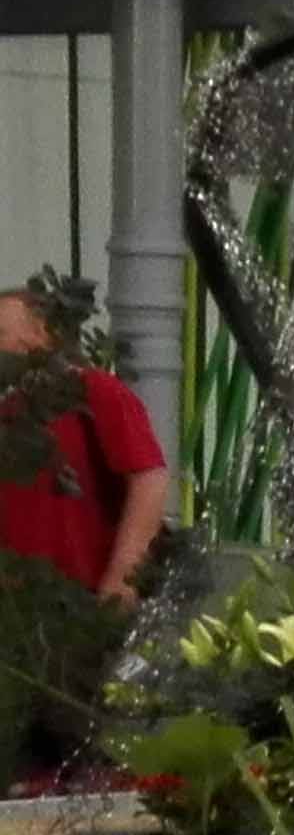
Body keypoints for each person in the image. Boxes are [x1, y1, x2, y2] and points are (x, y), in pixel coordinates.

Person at [0, 276, 170, 783]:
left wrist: (122, 578)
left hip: (79, 610)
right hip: (14, 619)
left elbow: (149, 477)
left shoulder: (94, 391)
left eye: (2, 333)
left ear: (43, 333)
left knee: (83, 750)